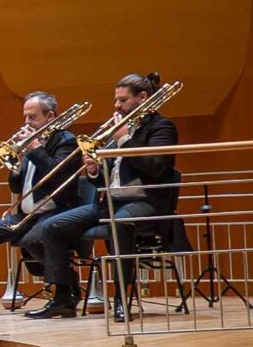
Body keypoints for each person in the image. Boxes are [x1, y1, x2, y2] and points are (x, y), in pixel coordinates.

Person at [77, 72, 183, 320]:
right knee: (56, 225)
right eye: (116, 99)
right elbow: (110, 177)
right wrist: (93, 170)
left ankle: (121, 299)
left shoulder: (161, 127)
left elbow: (156, 166)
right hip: (111, 202)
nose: (116, 105)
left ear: (142, 98)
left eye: (122, 100)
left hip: (146, 202)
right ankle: (66, 296)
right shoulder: (121, 131)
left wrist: (124, 139)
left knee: (120, 224)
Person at [0, 92, 82, 316]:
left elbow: (56, 176)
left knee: (29, 237)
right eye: (25, 117)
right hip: (27, 214)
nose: (27, 123)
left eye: (32, 117)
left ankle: (63, 292)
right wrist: (18, 164)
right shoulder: (32, 144)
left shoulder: (66, 141)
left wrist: (36, 149)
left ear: (50, 116)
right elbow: (16, 188)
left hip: (55, 211)